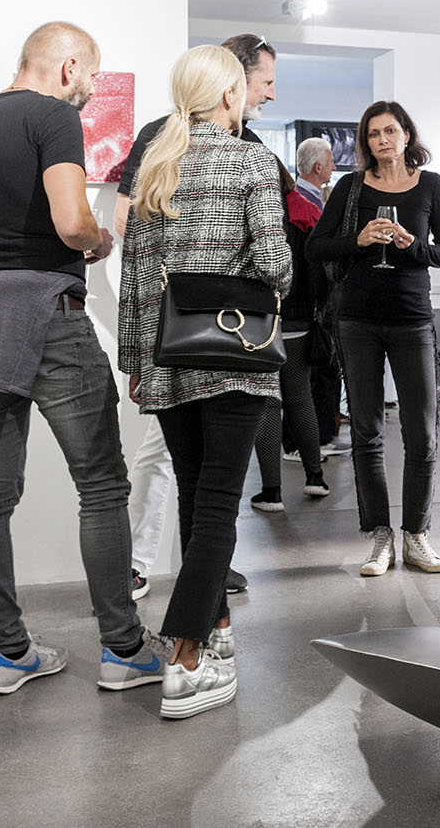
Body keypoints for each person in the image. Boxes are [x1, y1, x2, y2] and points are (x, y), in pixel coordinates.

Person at [0, 20, 159, 694]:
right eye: (91, 75)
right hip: (47, 311)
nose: (90, 89)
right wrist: (100, 240)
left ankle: (7, 653)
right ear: (68, 66)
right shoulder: (53, 118)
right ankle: (123, 648)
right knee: (101, 484)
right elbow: (70, 222)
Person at [118, 44, 290, 720]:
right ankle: (185, 659)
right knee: (218, 503)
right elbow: (275, 266)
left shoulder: (155, 163)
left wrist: (136, 362)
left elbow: (134, 276)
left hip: (167, 355)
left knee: (195, 495)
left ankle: (216, 627)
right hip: (232, 353)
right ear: (228, 95)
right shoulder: (250, 161)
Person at [307, 102, 440, 576]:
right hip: (358, 321)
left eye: (390, 131)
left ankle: (417, 534)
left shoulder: (430, 185)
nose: (382, 140)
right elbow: (315, 247)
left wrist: (414, 246)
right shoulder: (350, 187)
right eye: (373, 134)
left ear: (407, 134)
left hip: (413, 320)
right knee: (367, 433)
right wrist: (359, 239)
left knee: (422, 433)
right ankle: (379, 537)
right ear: (365, 142)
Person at [248, 156, 331, 509]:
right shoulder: (307, 211)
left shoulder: (255, 214)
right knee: (300, 397)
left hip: (261, 320)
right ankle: (315, 477)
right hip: (300, 321)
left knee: (268, 402)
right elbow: (323, 271)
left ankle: (272, 492)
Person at [292, 137, 352, 457]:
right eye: (330, 162)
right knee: (316, 370)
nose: (333, 166)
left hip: (315, 302)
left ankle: (321, 435)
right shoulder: (303, 204)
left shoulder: (309, 199)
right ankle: (315, 439)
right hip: (310, 303)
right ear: (318, 167)